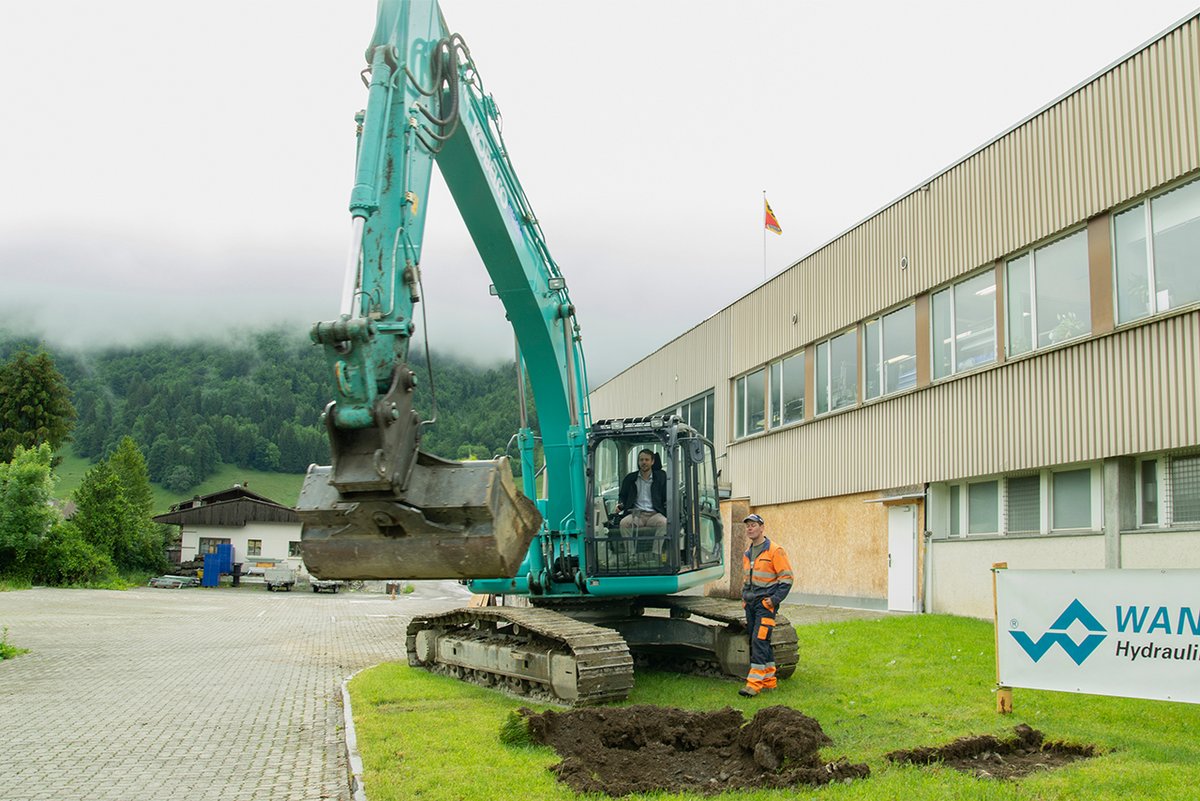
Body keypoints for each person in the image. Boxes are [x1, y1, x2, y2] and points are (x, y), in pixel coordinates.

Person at [738, 513, 793, 697]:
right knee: (762, 641)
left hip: (765, 604)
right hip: (751, 604)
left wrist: (774, 600)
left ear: (762, 528)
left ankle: (753, 684)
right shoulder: (748, 553)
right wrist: (744, 598)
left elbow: (786, 579)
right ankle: (769, 681)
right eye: (748, 526)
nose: (750, 528)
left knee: (759, 641)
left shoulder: (775, 551)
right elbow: (747, 579)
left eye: (753, 525)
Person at [616, 448, 668, 553]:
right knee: (624, 523)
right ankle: (630, 555)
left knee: (665, 522)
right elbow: (623, 496)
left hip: (654, 514)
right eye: (641, 460)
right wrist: (620, 505)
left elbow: (666, 496)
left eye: (647, 460)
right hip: (636, 514)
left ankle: (656, 553)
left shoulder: (661, 478)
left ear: (652, 462)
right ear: (638, 462)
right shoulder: (630, 479)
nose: (644, 462)